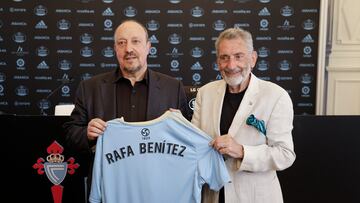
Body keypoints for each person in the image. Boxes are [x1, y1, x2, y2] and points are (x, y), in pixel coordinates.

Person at [63, 19, 189, 197]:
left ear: (148, 47)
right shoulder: (89, 88)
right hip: (109, 189)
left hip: (159, 188)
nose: (128, 48)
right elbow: (70, 134)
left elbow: (187, 142)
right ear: (115, 49)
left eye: (135, 41)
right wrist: (87, 134)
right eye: (121, 43)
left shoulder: (173, 88)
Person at [191, 27, 296, 203]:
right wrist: (176, 124)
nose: (231, 65)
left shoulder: (275, 96)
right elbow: (195, 144)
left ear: (253, 59)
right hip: (212, 196)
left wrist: (242, 151)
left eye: (238, 56)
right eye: (224, 58)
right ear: (218, 62)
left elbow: (285, 154)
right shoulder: (205, 93)